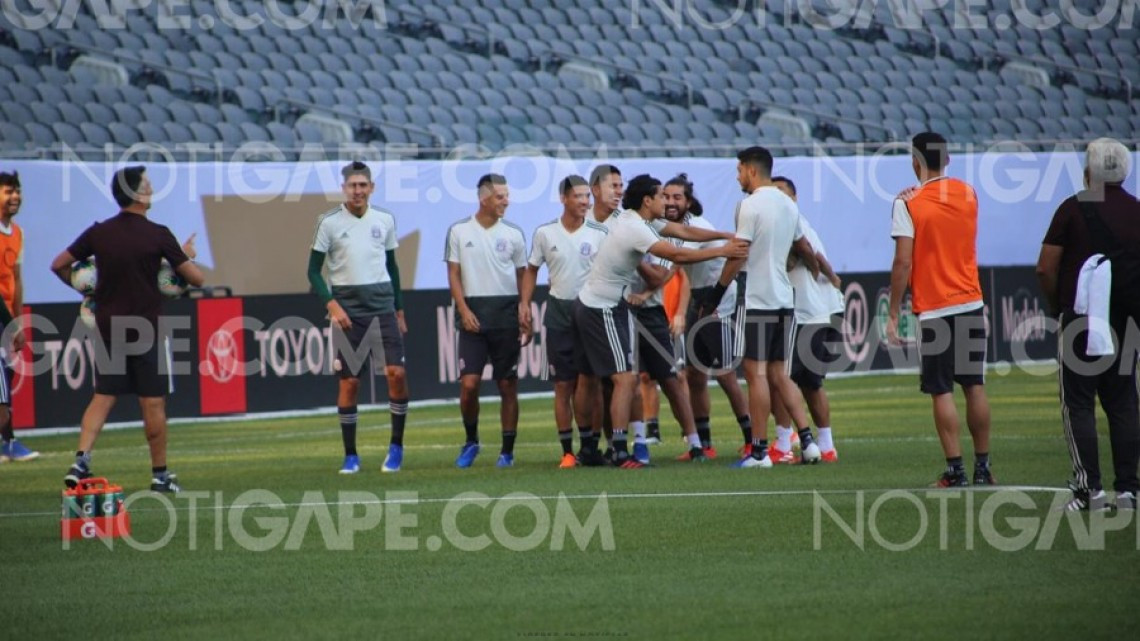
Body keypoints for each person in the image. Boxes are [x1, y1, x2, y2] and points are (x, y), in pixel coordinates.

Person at [573, 174, 748, 468]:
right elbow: (676, 253)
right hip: (601, 308)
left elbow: (682, 233)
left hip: (602, 304)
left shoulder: (637, 220)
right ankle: (619, 451)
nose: (666, 202)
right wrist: (724, 250)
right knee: (625, 379)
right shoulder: (635, 229)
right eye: (661, 196)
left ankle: (603, 449)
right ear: (647, 201)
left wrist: (726, 236)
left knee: (611, 380)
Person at [50, 166, 204, 492]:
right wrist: (185, 256)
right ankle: (160, 476)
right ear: (137, 193)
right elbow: (197, 279)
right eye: (147, 184)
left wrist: (86, 291)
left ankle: (81, 461)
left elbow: (58, 264)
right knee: (152, 403)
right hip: (146, 329)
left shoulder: (99, 233)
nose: (152, 189)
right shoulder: (158, 234)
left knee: (103, 396)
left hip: (108, 327)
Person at [1037, 137, 1139, 511]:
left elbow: (1045, 267)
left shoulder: (1072, 209)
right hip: (1127, 321)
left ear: (1087, 173)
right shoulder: (1135, 210)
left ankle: (1089, 491)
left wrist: (1057, 308)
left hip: (1081, 321)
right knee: (1124, 401)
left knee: (1078, 404)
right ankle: (1129, 490)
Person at [887, 132, 993, 488]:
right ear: (947, 159)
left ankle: (956, 471)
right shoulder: (969, 194)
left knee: (941, 390)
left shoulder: (907, 204)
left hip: (934, 308)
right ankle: (983, 468)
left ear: (914, 162)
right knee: (974, 386)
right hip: (971, 302)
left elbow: (903, 262)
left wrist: (892, 314)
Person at [707, 147, 823, 469]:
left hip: (756, 298)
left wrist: (716, 294)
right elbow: (803, 246)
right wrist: (816, 270)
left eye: (739, 170)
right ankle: (809, 442)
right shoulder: (788, 203)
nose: (737, 176)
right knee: (779, 373)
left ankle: (758, 453)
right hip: (785, 300)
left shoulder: (750, 205)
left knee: (755, 374)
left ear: (750, 170)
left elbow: (739, 253)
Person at [308, 161, 409, 474]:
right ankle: (350, 455)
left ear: (371, 188)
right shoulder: (328, 223)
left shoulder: (385, 219)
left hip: (383, 307)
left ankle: (396, 448)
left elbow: (392, 267)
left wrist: (399, 309)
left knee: (396, 373)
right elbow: (313, 271)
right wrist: (332, 305)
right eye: (352, 186)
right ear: (344, 188)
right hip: (348, 312)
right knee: (350, 382)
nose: (358, 191)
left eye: (363, 185)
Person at [520, 175, 609, 468]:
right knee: (563, 385)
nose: (585, 202)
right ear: (564, 199)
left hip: (591, 315)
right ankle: (567, 452)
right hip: (558, 317)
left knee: (593, 383)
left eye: (587, 196)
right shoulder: (545, 233)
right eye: (579, 196)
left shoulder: (600, 232)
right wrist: (525, 304)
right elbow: (531, 269)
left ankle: (591, 448)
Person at [665, 173, 754, 458]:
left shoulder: (696, 226)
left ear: (688, 202)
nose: (670, 202)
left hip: (718, 299)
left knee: (725, 373)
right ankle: (704, 445)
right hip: (698, 300)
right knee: (694, 374)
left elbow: (680, 260)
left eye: (677, 197)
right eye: (666, 196)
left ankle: (752, 439)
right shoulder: (671, 228)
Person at [446, 174, 530, 468]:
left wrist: (525, 308)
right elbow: (454, 274)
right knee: (469, 385)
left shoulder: (514, 233)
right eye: (500, 197)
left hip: (505, 318)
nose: (506, 201)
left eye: (507, 196)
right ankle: (471, 441)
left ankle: (507, 451)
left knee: (507, 385)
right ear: (484, 198)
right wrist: (463, 309)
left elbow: (523, 275)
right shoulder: (458, 231)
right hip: (473, 320)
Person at [771, 176, 844, 464]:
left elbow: (812, 257)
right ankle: (825, 446)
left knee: (781, 377)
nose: (777, 199)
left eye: (782, 193)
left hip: (808, 313)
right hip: (819, 311)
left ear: (794, 198)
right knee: (809, 382)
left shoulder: (793, 223)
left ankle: (784, 442)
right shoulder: (796, 223)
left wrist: (830, 275)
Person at [0, 171, 37, 463]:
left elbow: (17, 279)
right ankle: (8, 441)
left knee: (6, 376)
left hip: (7, 315)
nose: (15, 197)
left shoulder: (18, 233)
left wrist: (19, 321)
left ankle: (7, 441)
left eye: (17, 191)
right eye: (8, 191)